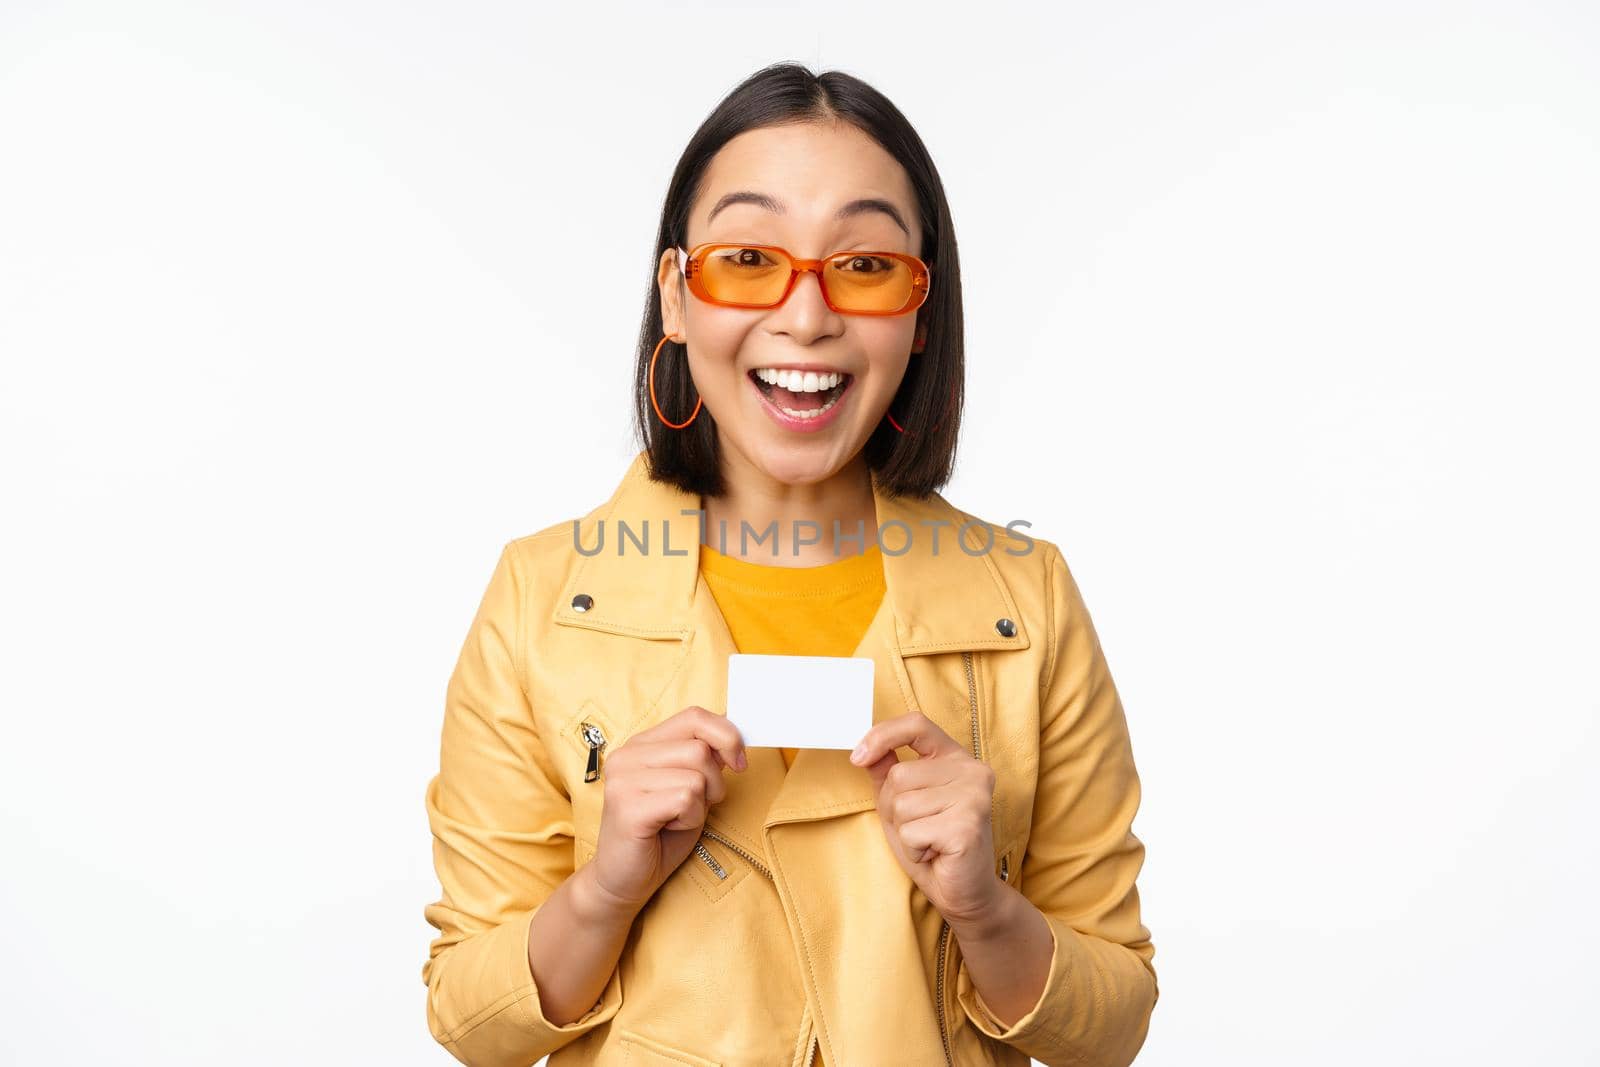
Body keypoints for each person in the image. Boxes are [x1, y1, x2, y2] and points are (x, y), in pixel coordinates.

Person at [421, 61, 1158, 1067]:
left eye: (863, 266)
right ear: (677, 297)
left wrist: (983, 907)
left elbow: (1112, 1026)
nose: (805, 316)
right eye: (749, 257)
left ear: (919, 314)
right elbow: (470, 1019)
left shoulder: (1024, 600)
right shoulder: (541, 597)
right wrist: (604, 887)